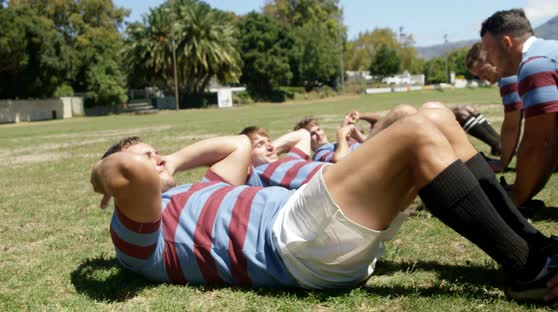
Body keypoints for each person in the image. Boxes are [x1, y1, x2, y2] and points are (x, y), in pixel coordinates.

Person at [91, 107, 558, 302]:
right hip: (291, 244)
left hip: (313, 230)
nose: (153, 156)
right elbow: (120, 174)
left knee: (431, 115)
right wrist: (108, 170)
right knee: (413, 134)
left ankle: (533, 246)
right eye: (144, 154)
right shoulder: (136, 234)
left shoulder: (191, 193)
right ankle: (527, 270)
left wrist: (171, 158)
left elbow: (236, 145)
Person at [480, 8, 558, 206]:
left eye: (488, 51)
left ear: (507, 43)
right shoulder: (546, 51)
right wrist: (523, 194)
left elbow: (536, 145)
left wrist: (515, 198)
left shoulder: (535, 65)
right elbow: (550, 145)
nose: (488, 60)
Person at [465, 41, 523, 171]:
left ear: (492, 60)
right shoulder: (518, 69)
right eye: (477, 75)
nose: (482, 77)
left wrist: (502, 164)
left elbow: (512, 126)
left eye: (482, 71)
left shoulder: (508, 79)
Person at [239, 126, 324, 189]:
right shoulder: (257, 177)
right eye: (260, 144)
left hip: (329, 171)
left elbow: (303, 134)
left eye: (269, 141)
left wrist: (270, 148)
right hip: (325, 182)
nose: (270, 146)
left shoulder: (293, 159)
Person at [293, 111, 370, 163]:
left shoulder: (334, 145)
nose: (318, 134)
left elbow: (340, 144)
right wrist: (341, 136)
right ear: (306, 140)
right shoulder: (319, 155)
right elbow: (340, 161)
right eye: (313, 134)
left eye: (318, 129)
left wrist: (346, 120)